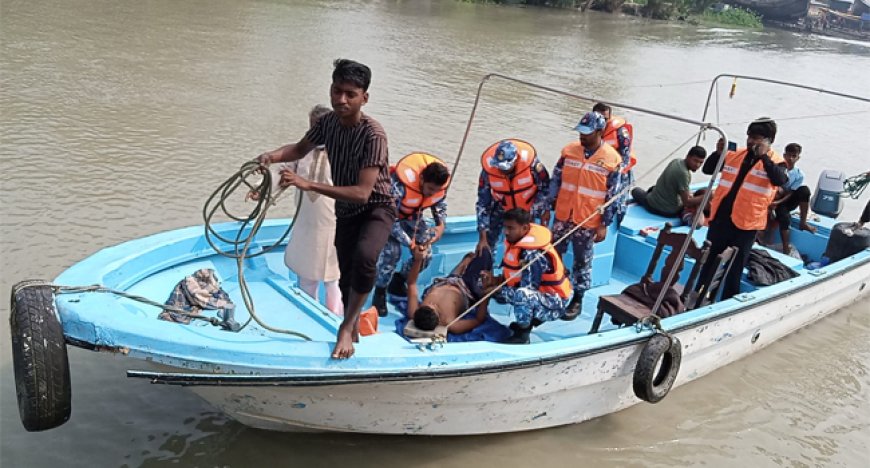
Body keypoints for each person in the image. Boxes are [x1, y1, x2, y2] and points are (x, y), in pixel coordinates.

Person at [257, 59, 394, 359]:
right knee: (344, 277)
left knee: (365, 257)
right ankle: (352, 319)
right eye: (336, 91)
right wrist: (272, 156)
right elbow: (298, 149)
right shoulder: (327, 124)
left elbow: (362, 193)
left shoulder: (374, 135)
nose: (341, 100)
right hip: (345, 210)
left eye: (350, 94)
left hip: (376, 207)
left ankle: (346, 326)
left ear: (364, 98)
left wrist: (308, 185)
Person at [253, 105, 343, 316]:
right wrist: (261, 189)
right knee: (307, 274)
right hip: (306, 222)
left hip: (335, 223)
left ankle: (335, 317)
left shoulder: (345, 153)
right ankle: (308, 313)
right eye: (312, 128)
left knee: (334, 278)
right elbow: (284, 173)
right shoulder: (302, 152)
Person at [696, 118, 788, 301]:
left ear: (768, 141)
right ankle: (697, 298)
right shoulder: (734, 154)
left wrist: (763, 157)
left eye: (757, 138)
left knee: (734, 268)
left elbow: (780, 180)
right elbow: (708, 169)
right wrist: (718, 152)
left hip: (746, 225)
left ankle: (727, 303)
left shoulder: (777, 162)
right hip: (721, 219)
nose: (751, 141)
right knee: (709, 262)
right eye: (749, 137)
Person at [548, 111, 621, 320]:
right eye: (580, 132)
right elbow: (556, 180)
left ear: (599, 132)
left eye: (587, 133)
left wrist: (604, 224)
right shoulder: (569, 151)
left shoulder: (611, 160)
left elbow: (613, 195)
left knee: (582, 260)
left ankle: (577, 298)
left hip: (588, 220)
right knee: (553, 254)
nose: (582, 137)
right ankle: (554, 287)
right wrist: (548, 206)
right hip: (563, 214)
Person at [373, 153, 450, 316]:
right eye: (429, 189)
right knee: (393, 253)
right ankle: (380, 291)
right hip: (387, 218)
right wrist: (410, 243)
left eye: (435, 190)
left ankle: (399, 279)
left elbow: (439, 204)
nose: (431, 193)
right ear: (421, 179)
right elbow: (390, 221)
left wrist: (441, 226)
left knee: (425, 255)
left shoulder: (436, 191)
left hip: (412, 218)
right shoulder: (398, 186)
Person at [484, 209, 572, 344]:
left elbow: (528, 290)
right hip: (540, 294)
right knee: (493, 288)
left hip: (554, 301)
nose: (506, 232)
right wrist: (495, 281)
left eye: (510, 228)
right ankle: (525, 322)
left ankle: (523, 333)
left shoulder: (532, 255)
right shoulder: (517, 243)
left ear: (525, 228)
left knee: (522, 295)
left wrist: (496, 290)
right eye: (505, 227)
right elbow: (514, 276)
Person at [475, 139, 550, 257]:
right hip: (502, 206)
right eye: (499, 167)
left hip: (527, 209)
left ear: (515, 161)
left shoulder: (533, 166)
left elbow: (546, 188)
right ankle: (487, 270)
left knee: (527, 246)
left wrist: (533, 212)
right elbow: (483, 203)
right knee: (486, 246)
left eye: (505, 168)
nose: (502, 171)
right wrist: (482, 237)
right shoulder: (488, 172)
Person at [406, 246, 493, 335]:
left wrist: (418, 260)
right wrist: (486, 294)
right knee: (484, 252)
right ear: (439, 321)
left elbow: (411, 284)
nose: (432, 303)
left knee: (452, 277)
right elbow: (478, 320)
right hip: (466, 288)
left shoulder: (414, 313)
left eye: (428, 304)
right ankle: (464, 266)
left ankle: (463, 264)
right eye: (436, 307)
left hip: (444, 282)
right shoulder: (452, 324)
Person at [631, 146, 708, 219]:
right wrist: (707, 196)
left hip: (655, 202)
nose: (697, 165)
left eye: (700, 162)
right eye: (695, 161)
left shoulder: (676, 161)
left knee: (636, 190)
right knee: (638, 191)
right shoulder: (684, 174)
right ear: (688, 156)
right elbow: (687, 202)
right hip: (667, 211)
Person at [770, 143, 816, 255]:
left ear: (798, 157)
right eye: (788, 155)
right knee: (784, 217)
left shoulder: (799, 175)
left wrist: (778, 202)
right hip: (773, 197)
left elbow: (791, 192)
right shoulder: (777, 169)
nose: (790, 158)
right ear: (784, 155)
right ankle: (786, 246)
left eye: (794, 156)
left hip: (785, 199)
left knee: (804, 190)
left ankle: (803, 222)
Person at [593, 102, 636, 224]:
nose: (601, 123)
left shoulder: (621, 134)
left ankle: (612, 223)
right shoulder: (590, 130)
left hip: (618, 173)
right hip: (598, 171)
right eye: (598, 119)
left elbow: (625, 159)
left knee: (617, 203)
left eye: (605, 119)